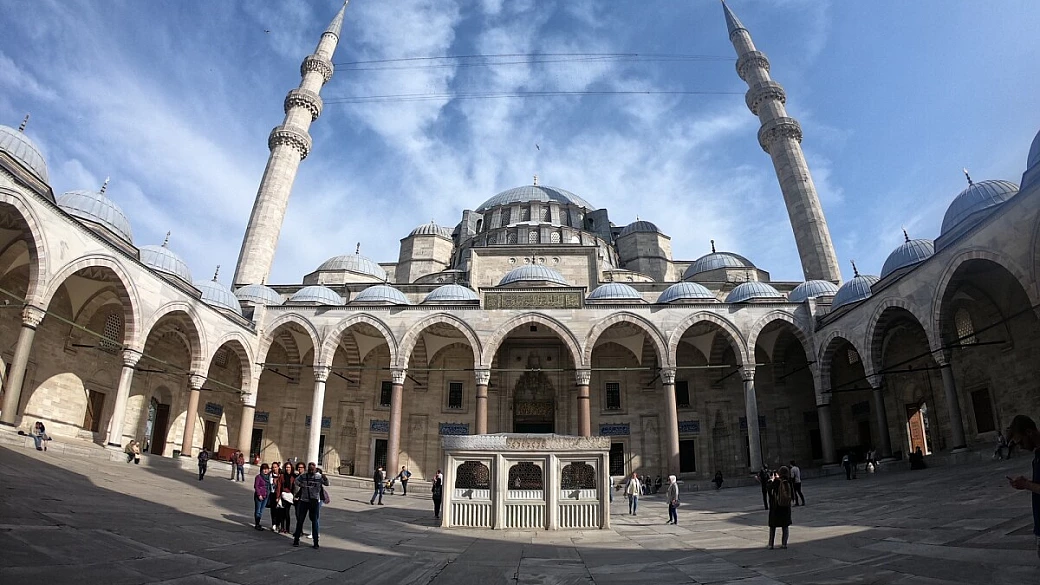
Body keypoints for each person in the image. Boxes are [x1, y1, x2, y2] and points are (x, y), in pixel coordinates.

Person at [1006, 415, 1040, 560]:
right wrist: (1026, 483)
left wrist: (1026, 484)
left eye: (1020, 442)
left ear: (1029, 432)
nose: (1020, 447)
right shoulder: (1037, 456)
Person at [292, 462, 324, 549]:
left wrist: (324, 477)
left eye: (312, 470)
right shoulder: (304, 476)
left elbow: (327, 483)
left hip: (314, 501)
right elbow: (296, 481)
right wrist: (301, 485)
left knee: (314, 521)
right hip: (304, 500)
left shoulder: (318, 476)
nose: (311, 471)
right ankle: (296, 539)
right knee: (300, 521)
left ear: (315, 469)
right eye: (310, 469)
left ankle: (316, 542)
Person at [767, 466, 793, 549]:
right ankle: (784, 544)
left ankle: (771, 544)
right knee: (785, 526)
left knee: (773, 527)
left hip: (776, 507)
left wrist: (771, 480)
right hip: (785, 506)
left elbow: (769, 490)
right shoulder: (788, 481)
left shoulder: (776, 482)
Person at [253, 463, 271, 531]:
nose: (265, 471)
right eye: (264, 469)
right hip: (259, 496)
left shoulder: (269, 477)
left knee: (261, 511)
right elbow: (256, 486)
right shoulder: (258, 477)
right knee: (258, 510)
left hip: (266, 495)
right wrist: (259, 494)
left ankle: (258, 522)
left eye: (266, 469)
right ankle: (257, 524)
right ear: (261, 470)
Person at [268, 462, 283, 531]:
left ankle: (278, 524)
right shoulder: (270, 475)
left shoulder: (281, 475)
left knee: (279, 510)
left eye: (275, 467)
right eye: (273, 467)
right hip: (272, 493)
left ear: (278, 467)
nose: (274, 468)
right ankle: (273, 524)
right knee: (273, 509)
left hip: (279, 494)